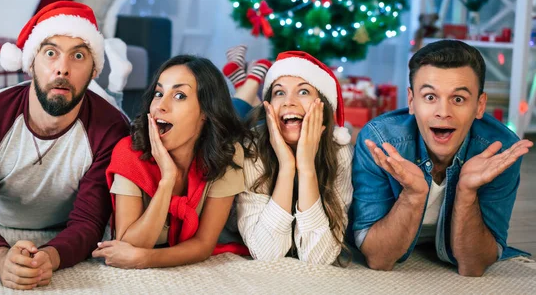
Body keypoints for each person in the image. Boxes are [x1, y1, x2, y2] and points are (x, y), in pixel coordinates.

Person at [0, 1, 130, 290]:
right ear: (31, 62)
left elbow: (88, 223)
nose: (62, 69)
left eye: (78, 56)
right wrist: (1, 260)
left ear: (93, 70)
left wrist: (50, 257)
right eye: (51, 53)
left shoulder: (111, 130)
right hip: (0, 191)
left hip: (57, 216)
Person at [351, 40, 533, 276]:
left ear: (479, 105)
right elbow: (378, 259)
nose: (443, 112)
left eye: (458, 99)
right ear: (411, 101)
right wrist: (413, 194)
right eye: (429, 97)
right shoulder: (380, 140)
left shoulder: (501, 151)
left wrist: (467, 191)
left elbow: (474, 266)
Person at [92, 55, 252, 268]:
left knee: (246, 112)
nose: (161, 106)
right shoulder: (129, 152)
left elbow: (204, 244)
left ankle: (250, 84)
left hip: (222, 127)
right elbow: (129, 243)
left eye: (179, 95)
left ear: (205, 111)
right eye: (158, 93)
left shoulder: (227, 151)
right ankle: (247, 83)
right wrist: (167, 180)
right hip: (204, 129)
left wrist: (147, 259)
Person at [227, 48, 354, 265]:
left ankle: (246, 84)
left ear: (324, 105)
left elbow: (319, 258)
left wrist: (306, 167)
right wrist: (287, 166)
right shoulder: (252, 148)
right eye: (279, 92)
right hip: (241, 131)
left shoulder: (339, 150)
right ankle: (248, 85)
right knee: (228, 124)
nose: (288, 102)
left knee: (240, 112)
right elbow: (267, 254)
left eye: (303, 92)